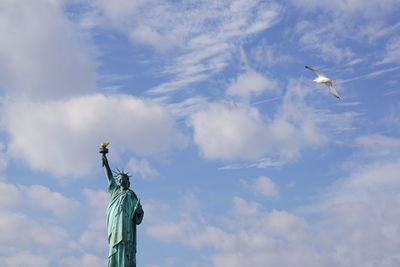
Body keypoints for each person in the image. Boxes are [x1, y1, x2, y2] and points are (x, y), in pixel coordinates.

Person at [102, 153, 144, 267]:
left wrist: (138, 210)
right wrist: (105, 161)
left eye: (124, 180)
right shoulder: (114, 191)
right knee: (115, 244)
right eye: (120, 179)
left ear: (128, 182)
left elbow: (138, 213)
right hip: (115, 223)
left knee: (125, 244)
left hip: (126, 225)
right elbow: (109, 177)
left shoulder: (131, 194)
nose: (122, 181)